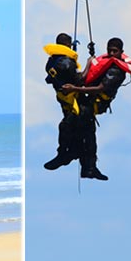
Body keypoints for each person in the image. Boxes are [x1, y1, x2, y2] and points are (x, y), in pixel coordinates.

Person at [61, 37, 131, 180]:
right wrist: (92, 57)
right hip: (87, 99)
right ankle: (86, 167)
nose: (111, 53)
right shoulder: (107, 61)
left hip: (98, 102)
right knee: (84, 130)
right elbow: (95, 72)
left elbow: (100, 88)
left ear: (121, 52)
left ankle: (75, 157)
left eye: (114, 51)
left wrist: (75, 88)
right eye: (109, 50)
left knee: (79, 126)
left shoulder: (117, 70)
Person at [43, 33, 90, 171]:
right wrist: (88, 63)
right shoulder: (68, 63)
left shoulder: (51, 61)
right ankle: (65, 154)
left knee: (71, 125)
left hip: (63, 99)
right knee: (66, 126)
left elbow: (63, 70)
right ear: (68, 46)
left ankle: (70, 153)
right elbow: (80, 80)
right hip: (72, 99)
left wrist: (72, 51)